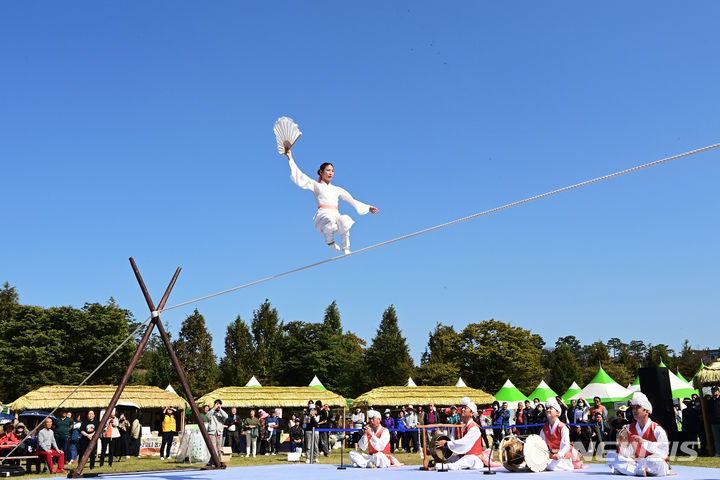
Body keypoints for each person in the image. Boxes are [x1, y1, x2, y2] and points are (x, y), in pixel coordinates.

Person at [285, 150, 379, 254]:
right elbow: (300, 176)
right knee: (329, 219)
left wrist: (368, 207)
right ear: (321, 172)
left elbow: (351, 199)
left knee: (345, 220)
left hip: (335, 214)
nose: (331, 173)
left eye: (332, 171)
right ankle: (330, 243)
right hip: (323, 216)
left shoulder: (336, 189)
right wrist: (290, 158)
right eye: (328, 170)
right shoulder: (316, 185)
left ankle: (346, 248)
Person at [607, 392, 670, 476]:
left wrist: (643, 442)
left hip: (652, 461)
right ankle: (637, 471)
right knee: (610, 456)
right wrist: (623, 444)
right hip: (637, 461)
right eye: (633, 408)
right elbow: (627, 454)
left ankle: (629, 470)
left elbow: (664, 452)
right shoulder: (629, 428)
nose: (634, 411)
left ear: (646, 411)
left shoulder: (657, 429)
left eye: (638, 407)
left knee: (655, 461)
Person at [434, 398, 501, 470]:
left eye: (465, 408)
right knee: (450, 458)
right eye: (462, 408)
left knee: (468, 460)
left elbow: (464, 443)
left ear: (472, 413)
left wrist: (447, 443)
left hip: (474, 458)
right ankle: (443, 463)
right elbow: (451, 439)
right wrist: (442, 448)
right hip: (462, 457)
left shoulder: (474, 428)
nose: (462, 409)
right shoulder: (457, 425)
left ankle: (445, 466)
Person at [540, 398, 583, 471]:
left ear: (557, 412)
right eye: (547, 408)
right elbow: (541, 444)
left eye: (551, 408)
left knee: (549, 466)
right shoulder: (544, 429)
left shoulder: (563, 427)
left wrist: (559, 455)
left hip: (565, 456)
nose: (548, 410)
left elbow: (566, 445)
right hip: (553, 456)